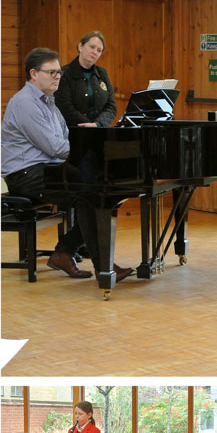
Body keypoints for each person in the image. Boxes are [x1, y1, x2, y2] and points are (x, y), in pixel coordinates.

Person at [1, 48, 132, 282]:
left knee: (103, 190)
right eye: (51, 72)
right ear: (33, 73)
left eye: (58, 72)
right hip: (26, 175)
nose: (57, 77)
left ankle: (65, 252)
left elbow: (64, 140)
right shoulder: (25, 103)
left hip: (48, 169)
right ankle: (101, 266)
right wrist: (87, 156)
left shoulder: (49, 102)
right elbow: (55, 147)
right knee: (88, 195)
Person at [56, 31, 116, 129]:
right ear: (80, 46)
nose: (95, 52)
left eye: (99, 50)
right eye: (92, 47)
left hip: (99, 130)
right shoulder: (64, 73)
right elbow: (65, 106)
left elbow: (111, 105)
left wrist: (98, 124)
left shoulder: (102, 73)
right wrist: (88, 125)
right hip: (73, 131)